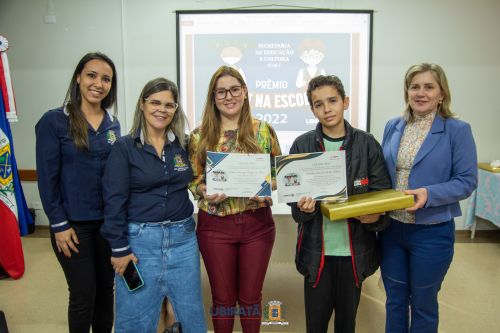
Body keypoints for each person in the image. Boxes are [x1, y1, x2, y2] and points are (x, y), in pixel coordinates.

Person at [100, 78, 207, 333]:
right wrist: (119, 248)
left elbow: (196, 179)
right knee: (135, 317)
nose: (162, 110)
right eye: (155, 102)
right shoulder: (124, 148)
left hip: (183, 241)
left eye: (169, 105)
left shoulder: (183, 145)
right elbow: (113, 202)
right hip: (139, 244)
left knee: (190, 317)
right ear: (142, 104)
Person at [288, 75, 392, 333]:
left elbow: (383, 197)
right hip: (317, 253)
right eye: (319, 104)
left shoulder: (367, 144)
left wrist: (375, 217)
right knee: (315, 324)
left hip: (354, 253)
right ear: (312, 109)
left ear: (345, 102)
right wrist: (303, 208)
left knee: (347, 324)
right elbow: (294, 206)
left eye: (332, 100)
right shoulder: (302, 144)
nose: (327, 109)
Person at [380, 63, 478, 333]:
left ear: (441, 93)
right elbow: (382, 174)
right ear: (407, 92)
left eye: (428, 86)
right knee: (395, 301)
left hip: (431, 232)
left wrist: (429, 193)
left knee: (423, 303)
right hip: (392, 229)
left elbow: (467, 181)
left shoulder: (457, 130)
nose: (420, 93)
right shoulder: (393, 125)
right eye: (414, 86)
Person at [188, 65, 282, 333]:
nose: (228, 96)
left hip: (258, 226)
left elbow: (280, 174)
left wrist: (265, 185)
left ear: (244, 93)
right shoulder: (198, 136)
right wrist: (204, 191)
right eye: (221, 92)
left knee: (251, 299)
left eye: (234, 89)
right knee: (223, 300)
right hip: (215, 227)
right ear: (213, 97)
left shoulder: (264, 131)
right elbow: (193, 180)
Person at [35, 52, 119, 333]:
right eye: (92, 75)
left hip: (107, 226)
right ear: (78, 78)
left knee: (106, 293)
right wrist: (58, 224)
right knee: (84, 295)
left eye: (106, 79)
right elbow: (48, 179)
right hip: (72, 226)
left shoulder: (112, 124)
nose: (99, 83)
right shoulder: (54, 121)